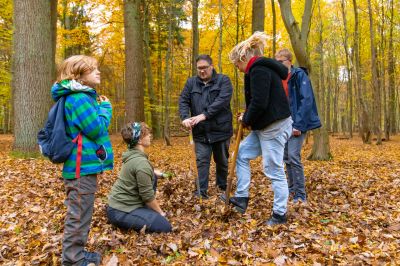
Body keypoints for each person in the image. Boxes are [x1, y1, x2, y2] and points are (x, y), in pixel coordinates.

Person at [223, 32, 292, 226]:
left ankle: (279, 214)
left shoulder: (259, 70)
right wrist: (247, 116)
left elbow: (260, 103)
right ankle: (242, 197)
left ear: (244, 58)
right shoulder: (255, 70)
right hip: (264, 127)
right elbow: (258, 101)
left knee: (273, 169)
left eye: (237, 64)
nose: (237, 68)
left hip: (274, 128)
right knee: (241, 153)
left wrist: (247, 119)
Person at [52, 55, 114, 265]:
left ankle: (76, 254)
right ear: (79, 75)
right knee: (78, 216)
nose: (98, 72)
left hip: (84, 167)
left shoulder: (82, 96)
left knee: (82, 214)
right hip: (80, 169)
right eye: (93, 69)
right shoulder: (78, 98)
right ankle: (72, 260)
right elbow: (96, 129)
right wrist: (106, 109)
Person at [179, 54, 233, 198]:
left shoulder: (223, 80)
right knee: (202, 161)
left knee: (222, 160)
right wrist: (184, 117)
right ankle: (201, 192)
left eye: (204, 68)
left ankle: (221, 188)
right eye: (199, 68)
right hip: (201, 132)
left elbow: (222, 101)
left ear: (211, 66)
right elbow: (183, 100)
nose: (202, 71)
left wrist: (204, 115)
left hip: (221, 130)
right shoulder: (191, 83)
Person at [107, 122, 172, 233]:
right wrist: (161, 213)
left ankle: (143, 214)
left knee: (154, 177)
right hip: (120, 211)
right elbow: (147, 196)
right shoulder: (141, 163)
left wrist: (155, 173)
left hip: (117, 207)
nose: (150, 135)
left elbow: (140, 171)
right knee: (165, 226)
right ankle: (128, 222)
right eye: (146, 134)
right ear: (140, 140)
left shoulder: (132, 154)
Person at [275, 49, 321, 203]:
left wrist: (298, 125)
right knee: (286, 157)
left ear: (289, 61)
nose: (278, 64)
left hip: (297, 123)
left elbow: (306, 101)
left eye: (281, 61)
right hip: (283, 124)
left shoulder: (299, 75)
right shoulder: (278, 77)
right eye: (277, 62)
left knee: (294, 156)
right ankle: (291, 189)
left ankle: (301, 195)